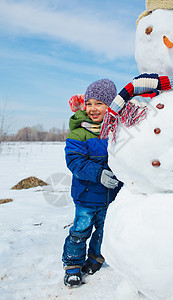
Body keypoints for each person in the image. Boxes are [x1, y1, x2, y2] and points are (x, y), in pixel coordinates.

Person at [62, 79, 123, 288]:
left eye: (99, 103)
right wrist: (98, 173)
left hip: (112, 196)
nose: (93, 108)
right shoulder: (79, 132)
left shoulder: (118, 131)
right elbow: (75, 161)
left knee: (104, 231)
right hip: (87, 195)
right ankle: (72, 266)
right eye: (89, 103)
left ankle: (96, 258)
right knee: (80, 230)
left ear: (111, 106)